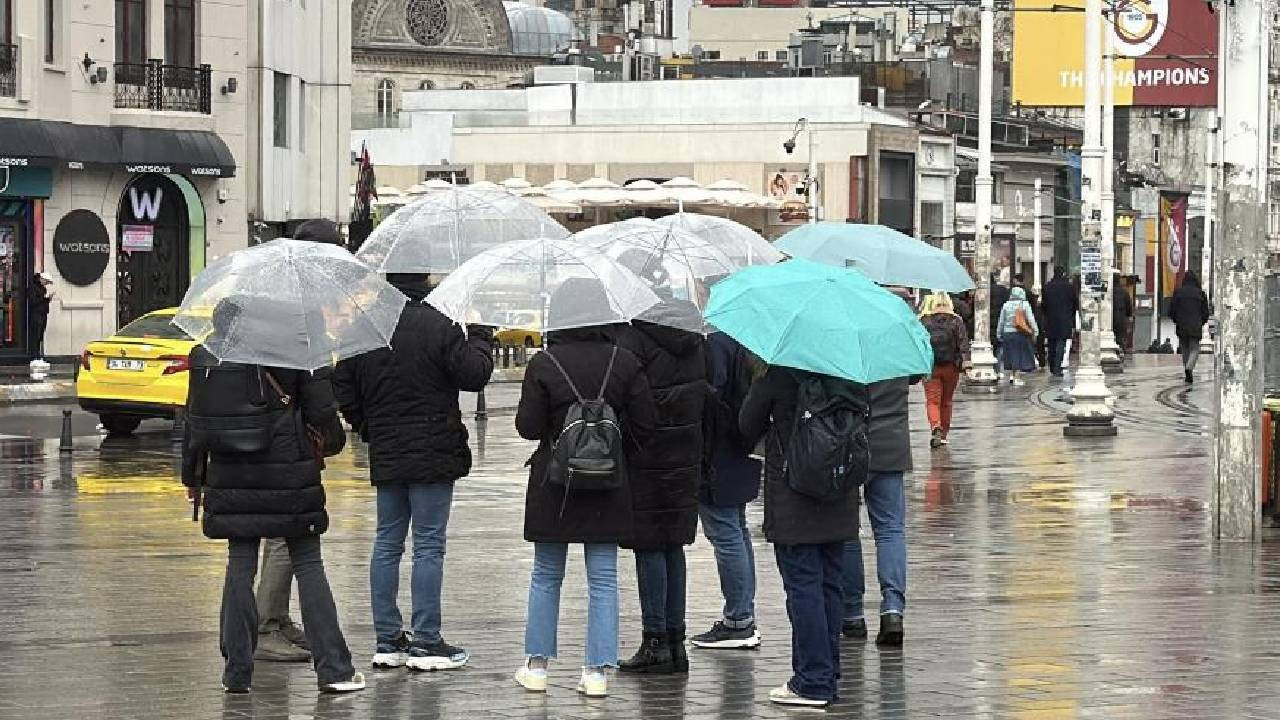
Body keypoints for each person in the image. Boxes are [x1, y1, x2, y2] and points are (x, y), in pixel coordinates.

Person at [181, 302, 362, 694]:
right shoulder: (294, 348)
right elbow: (321, 411)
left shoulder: (206, 355)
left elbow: (194, 422)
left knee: (239, 568)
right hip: (289, 472)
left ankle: (237, 674)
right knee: (309, 565)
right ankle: (334, 671)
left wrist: (192, 477)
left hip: (229, 475)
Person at [333, 273, 494, 671]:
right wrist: (478, 332)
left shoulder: (365, 327)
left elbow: (343, 387)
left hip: (388, 450)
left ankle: (387, 640)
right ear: (425, 284)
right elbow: (474, 375)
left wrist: (369, 427)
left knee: (387, 541)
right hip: (433, 449)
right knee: (428, 544)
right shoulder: (438, 323)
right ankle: (426, 640)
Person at [512, 278, 658, 698]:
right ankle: (596, 673)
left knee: (545, 574)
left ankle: (537, 666)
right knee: (604, 579)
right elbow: (647, 425)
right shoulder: (624, 361)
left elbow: (527, 428)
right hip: (609, 483)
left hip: (554, 485)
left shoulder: (544, 363)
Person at [252, 219, 350, 665]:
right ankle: (265, 626)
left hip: (265, 432)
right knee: (284, 533)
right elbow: (314, 383)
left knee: (280, 533)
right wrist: (331, 433)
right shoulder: (300, 310)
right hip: (285, 437)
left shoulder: (268, 296)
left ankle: (275, 617)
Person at [740, 367, 864, 708]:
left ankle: (812, 681)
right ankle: (828, 672)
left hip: (794, 496)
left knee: (804, 587)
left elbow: (745, 426)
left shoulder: (779, 377)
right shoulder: (849, 375)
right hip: (839, 494)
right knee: (829, 585)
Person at [616, 301, 706, 675]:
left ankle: (655, 641)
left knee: (649, 545)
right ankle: (676, 642)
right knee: (674, 545)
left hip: (647, 457)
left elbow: (630, 401)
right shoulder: (695, 338)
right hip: (686, 454)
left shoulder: (634, 338)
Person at [690, 330, 763, 650]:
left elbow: (713, 395)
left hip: (718, 451)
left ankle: (739, 620)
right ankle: (742, 614)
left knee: (725, 533)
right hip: (743, 447)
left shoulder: (720, 342)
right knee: (736, 529)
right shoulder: (753, 341)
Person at [919, 293, 969, 449]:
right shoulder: (956, 321)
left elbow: (919, 344)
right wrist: (966, 362)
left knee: (932, 400)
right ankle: (944, 435)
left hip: (930, 367)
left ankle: (935, 426)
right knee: (946, 402)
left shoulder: (924, 321)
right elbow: (963, 343)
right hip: (951, 367)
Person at [1168, 271, 1211, 384]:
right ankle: (1189, 368)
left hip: (1181, 325)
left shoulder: (1178, 293)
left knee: (1185, 349)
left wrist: (1177, 320)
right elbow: (1205, 312)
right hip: (1195, 325)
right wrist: (1201, 322)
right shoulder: (1200, 294)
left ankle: (1187, 370)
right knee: (1195, 349)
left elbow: (1172, 310)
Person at [996, 286, 1039, 386]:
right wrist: (1035, 331)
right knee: (1019, 355)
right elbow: (1030, 319)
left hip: (1007, 333)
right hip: (1019, 332)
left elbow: (1001, 321)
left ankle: (1012, 375)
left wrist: (999, 333)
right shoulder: (1024, 304)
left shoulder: (1005, 305)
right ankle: (1017, 377)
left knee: (1010, 354)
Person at [1041, 266, 1078, 377]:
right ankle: (1057, 367)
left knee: (1051, 342)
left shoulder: (1047, 287)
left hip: (1051, 319)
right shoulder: (1069, 287)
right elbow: (1075, 304)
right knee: (1061, 343)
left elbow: (1044, 304)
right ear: (1063, 274)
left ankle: (1052, 365)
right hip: (1065, 319)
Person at [989, 274, 1011, 368]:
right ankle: (997, 369)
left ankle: (994, 367)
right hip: (999, 320)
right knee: (998, 346)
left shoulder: (981, 291)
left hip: (988, 323)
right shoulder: (1002, 290)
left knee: (990, 346)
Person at [29, 272, 53, 358]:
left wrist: (46, 300)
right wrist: (45, 299)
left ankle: (37, 354)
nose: (46, 284)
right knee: (36, 335)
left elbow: (41, 302)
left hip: (43, 314)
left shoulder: (43, 289)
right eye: (46, 282)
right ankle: (35, 355)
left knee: (40, 335)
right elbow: (34, 302)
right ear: (41, 279)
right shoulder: (33, 288)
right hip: (36, 314)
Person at [1112, 275, 1134, 357]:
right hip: (1121, 318)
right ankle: (1121, 352)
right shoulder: (1125, 292)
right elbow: (1129, 308)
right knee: (1120, 337)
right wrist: (1129, 315)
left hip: (1111, 318)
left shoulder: (1109, 292)